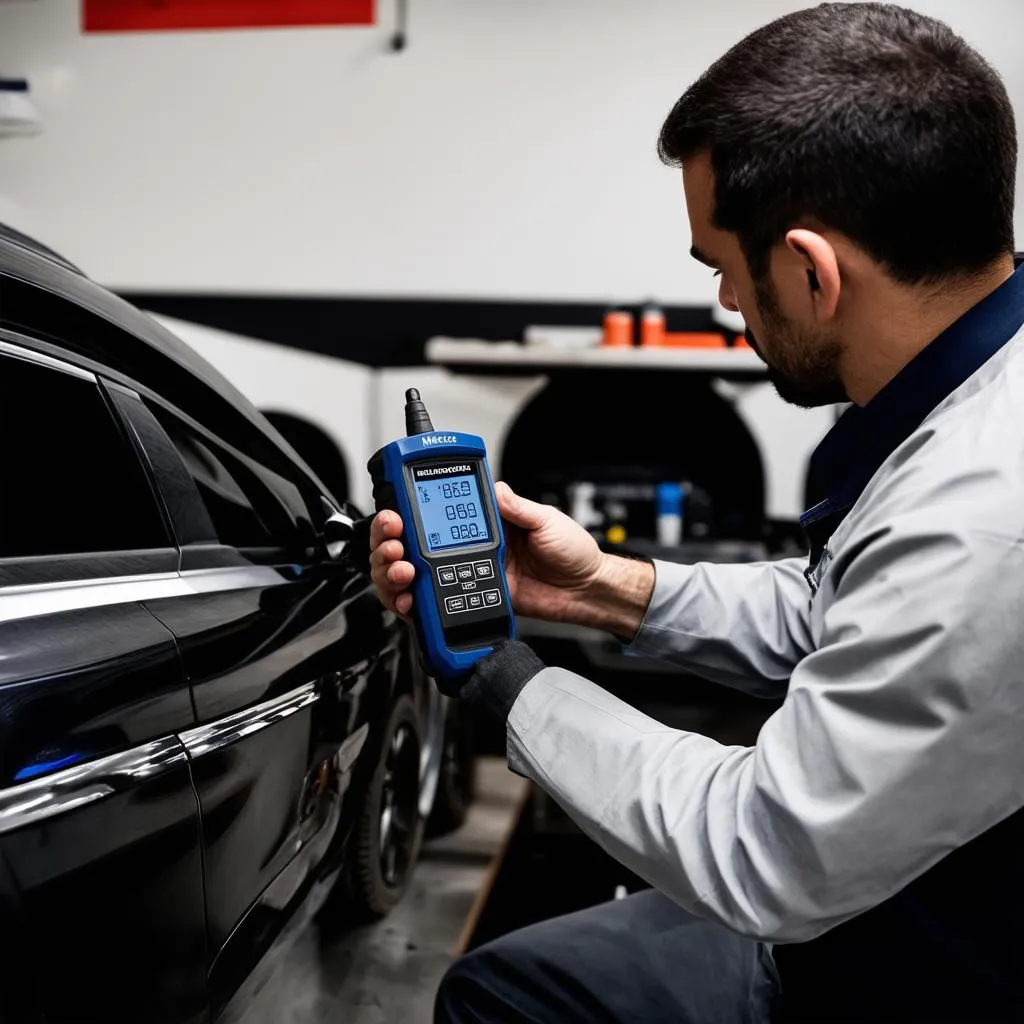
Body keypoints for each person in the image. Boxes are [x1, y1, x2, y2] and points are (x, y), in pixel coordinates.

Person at [371, 4, 1024, 1021]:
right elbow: (847, 615)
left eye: (723, 267)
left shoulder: (981, 514)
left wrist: (497, 676)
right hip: (904, 891)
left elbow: (762, 850)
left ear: (811, 272)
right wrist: (602, 587)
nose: (727, 301)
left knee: (498, 995)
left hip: (916, 965)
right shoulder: (979, 401)